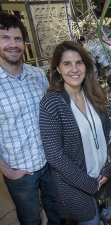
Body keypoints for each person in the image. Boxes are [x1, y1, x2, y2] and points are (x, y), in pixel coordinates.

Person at [39, 40, 111, 224]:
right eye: (67, 64)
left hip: (100, 177)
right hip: (76, 186)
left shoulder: (94, 93)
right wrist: (88, 183)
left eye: (79, 63)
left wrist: (108, 166)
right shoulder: (51, 103)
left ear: (86, 66)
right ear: (57, 68)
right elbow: (55, 156)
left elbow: (109, 134)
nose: (74, 69)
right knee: (91, 220)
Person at [0, 11, 61, 225]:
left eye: (17, 39)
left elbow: (50, 115)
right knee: (30, 218)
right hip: (19, 170)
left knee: (56, 209)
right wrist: (7, 171)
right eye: (4, 38)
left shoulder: (36, 75)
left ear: (24, 43)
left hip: (48, 161)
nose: (12, 44)